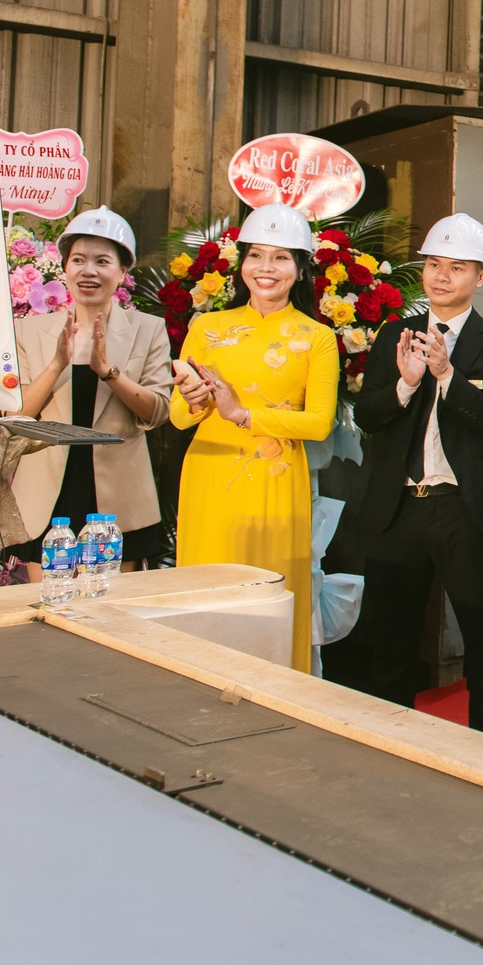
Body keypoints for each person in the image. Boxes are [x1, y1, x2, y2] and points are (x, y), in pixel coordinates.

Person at [342, 214, 483, 732]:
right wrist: (405, 385)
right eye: (434, 264)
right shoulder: (394, 335)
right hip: (398, 507)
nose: (441, 276)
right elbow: (368, 416)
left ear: (481, 276)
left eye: (457, 267)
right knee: (393, 639)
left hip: (464, 508)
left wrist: (446, 375)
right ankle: (392, 740)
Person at [170, 202, 340, 674]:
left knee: (270, 597)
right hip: (209, 474)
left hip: (275, 483)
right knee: (205, 596)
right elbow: (178, 417)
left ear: (300, 268)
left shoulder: (318, 337)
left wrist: (242, 414)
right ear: (241, 263)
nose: (266, 268)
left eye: (281, 257)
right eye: (256, 256)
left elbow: (318, 423)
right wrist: (196, 400)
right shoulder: (207, 327)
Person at [5, 207, 173, 574]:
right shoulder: (29, 331)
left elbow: (159, 411)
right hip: (46, 494)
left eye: (102, 261)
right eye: (78, 260)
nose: (89, 271)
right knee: (46, 601)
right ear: (65, 268)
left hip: (119, 495)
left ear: (122, 271)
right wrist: (56, 364)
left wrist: (108, 372)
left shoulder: (148, 329)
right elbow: (16, 416)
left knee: (111, 602)